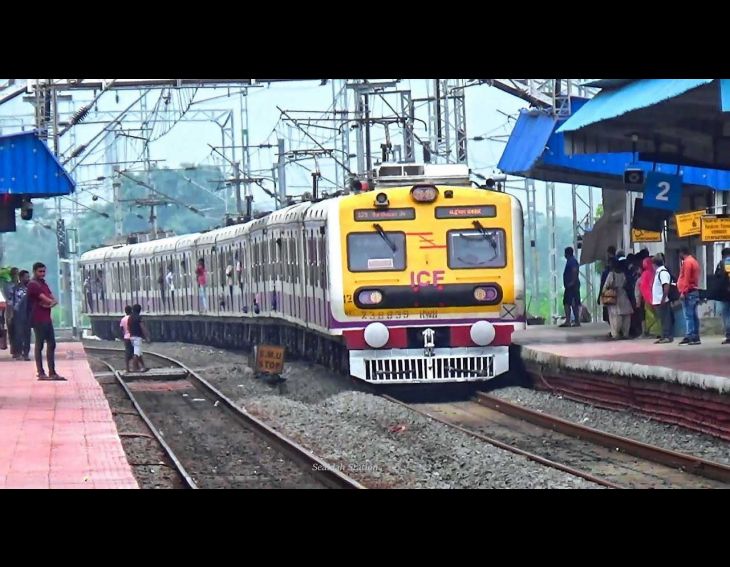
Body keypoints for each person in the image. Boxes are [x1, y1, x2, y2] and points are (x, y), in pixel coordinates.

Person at [27, 262, 65, 380]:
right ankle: (41, 372)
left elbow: (52, 299)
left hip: (46, 318)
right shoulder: (33, 285)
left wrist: (50, 302)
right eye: (40, 271)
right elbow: (47, 299)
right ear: (34, 271)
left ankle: (52, 372)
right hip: (37, 318)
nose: (42, 274)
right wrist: (49, 302)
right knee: (39, 345)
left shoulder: (43, 283)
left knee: (52, 344)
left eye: (44, 271)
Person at [602, 257, 634, 339]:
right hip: (624, 295)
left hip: (614, 298)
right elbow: (626, 284)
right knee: (626, 315)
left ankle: (615, 334)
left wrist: (603, 295)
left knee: (614, 317)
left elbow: (605, 287)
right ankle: (625, 333)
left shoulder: (611, 274)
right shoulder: (623, 274)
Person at [677, 246, 701, 345]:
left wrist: (683, 292)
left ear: (682, 253)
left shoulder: (687, 262)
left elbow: (686, 278)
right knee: (694, 315)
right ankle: (695, 336)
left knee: (688, 316)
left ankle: (690, 335)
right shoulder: (694, 261)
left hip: (688, 292)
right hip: (694, 290)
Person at [709, 248, 730, 344]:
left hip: (725, 293)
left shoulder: (723, 263)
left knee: (726, 314)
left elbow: (721, 279)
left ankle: (729, 335)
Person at [652, 254, 673, 344]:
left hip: (662, 300)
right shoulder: (658, 272)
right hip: (658, 300)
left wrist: (663, 299)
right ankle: (664, 335)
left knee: (665, 319)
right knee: (662, 319)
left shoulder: (663, 273)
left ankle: (667, 336)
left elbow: (666, 286)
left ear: (654, 264)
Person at [11, 270, 31, 361]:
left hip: (28, 314)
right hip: (18, 314)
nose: (28, 279)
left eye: (28, 277)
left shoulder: (30, 288)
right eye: (26, 277)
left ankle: (26, 353)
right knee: (18, 334)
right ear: (21, 278)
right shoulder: (15, 288)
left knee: (27, 334)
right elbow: (11, 302)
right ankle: (18, 352)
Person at [636, 257, 659, 338]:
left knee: (649, 316)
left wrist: (639, 299)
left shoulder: (645, 274)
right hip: (656, 298)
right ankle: (657, 332)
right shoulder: (655, 272)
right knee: (656, 315)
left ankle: (651, 332)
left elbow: (642, 287)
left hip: (647, 298)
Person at [560, 246, 581, 327]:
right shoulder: (571, 261)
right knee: (568, 303)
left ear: (567, 254)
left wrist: (572, 282)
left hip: (572, 286)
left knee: (572, 303)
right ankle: (571, 320)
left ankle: (573, 321)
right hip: (570, 286)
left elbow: (575, 271)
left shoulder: (572, 261)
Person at [598, 246, 616, 331]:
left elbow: (603, 284)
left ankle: (614, 330)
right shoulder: (620, 269)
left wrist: (600, 296)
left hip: (608, 295)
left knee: (610, 313)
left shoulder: (607, 271)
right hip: (618, 294)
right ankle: (615, 330)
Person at [128, 304, 151, 372]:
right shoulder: (139, 318)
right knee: (137, 353)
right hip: (137, 337)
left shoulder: (130, 317)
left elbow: (128, 327)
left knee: (139, 353)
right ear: (140, 310)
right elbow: (142, 327)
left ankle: (143, 366)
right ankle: (134, 368)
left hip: (131, 336)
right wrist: (147, 336)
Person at [120, 305, 133, 372]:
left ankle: (127, 368)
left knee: (127, 353)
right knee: (135, 352)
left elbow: (121, 328)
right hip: (133, 337)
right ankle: (135, 367)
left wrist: (124, 334)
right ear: (131, 311)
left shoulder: (123, 319)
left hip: (126, 337)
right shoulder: (132, 318)